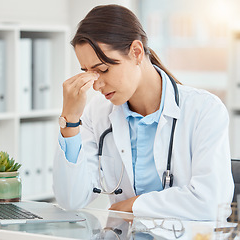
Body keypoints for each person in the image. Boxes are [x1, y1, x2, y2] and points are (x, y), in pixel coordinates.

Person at [53, 4, 234, 220]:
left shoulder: (205, 110)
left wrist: (135, 204)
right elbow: (71, 200)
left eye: (103, 70)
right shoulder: (97, 113)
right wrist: (70, 122)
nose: (96, 85)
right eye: (88, 72)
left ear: (136, 52)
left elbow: (212, 202)